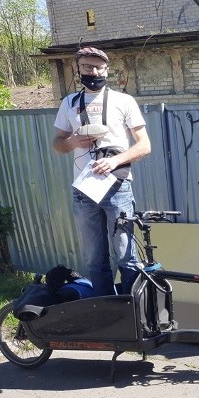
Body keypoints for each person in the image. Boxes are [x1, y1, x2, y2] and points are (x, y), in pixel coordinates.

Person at [52, 47, 151, 296]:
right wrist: (72, 142)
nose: (93, 71)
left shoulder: (123, 101)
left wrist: (115, 161)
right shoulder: (69, 103)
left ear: (107, 69)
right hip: (84, 190)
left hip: (117, 187)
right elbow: (57, 144)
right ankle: (106, 315)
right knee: (95, 260)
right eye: (87, 67)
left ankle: (133, 317)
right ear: (78, 69)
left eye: (98, 67)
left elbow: (144, 145)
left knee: (126, 257)